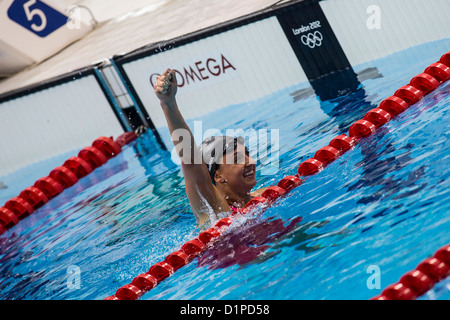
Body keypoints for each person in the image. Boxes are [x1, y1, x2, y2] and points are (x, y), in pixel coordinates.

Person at [153, 68, 268, 226]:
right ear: (218, 175)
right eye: (238, 159)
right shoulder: (215, 209)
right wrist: (168, 104)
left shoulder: (263, 195)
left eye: (247, 154)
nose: (251, 161)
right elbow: (191, 162)